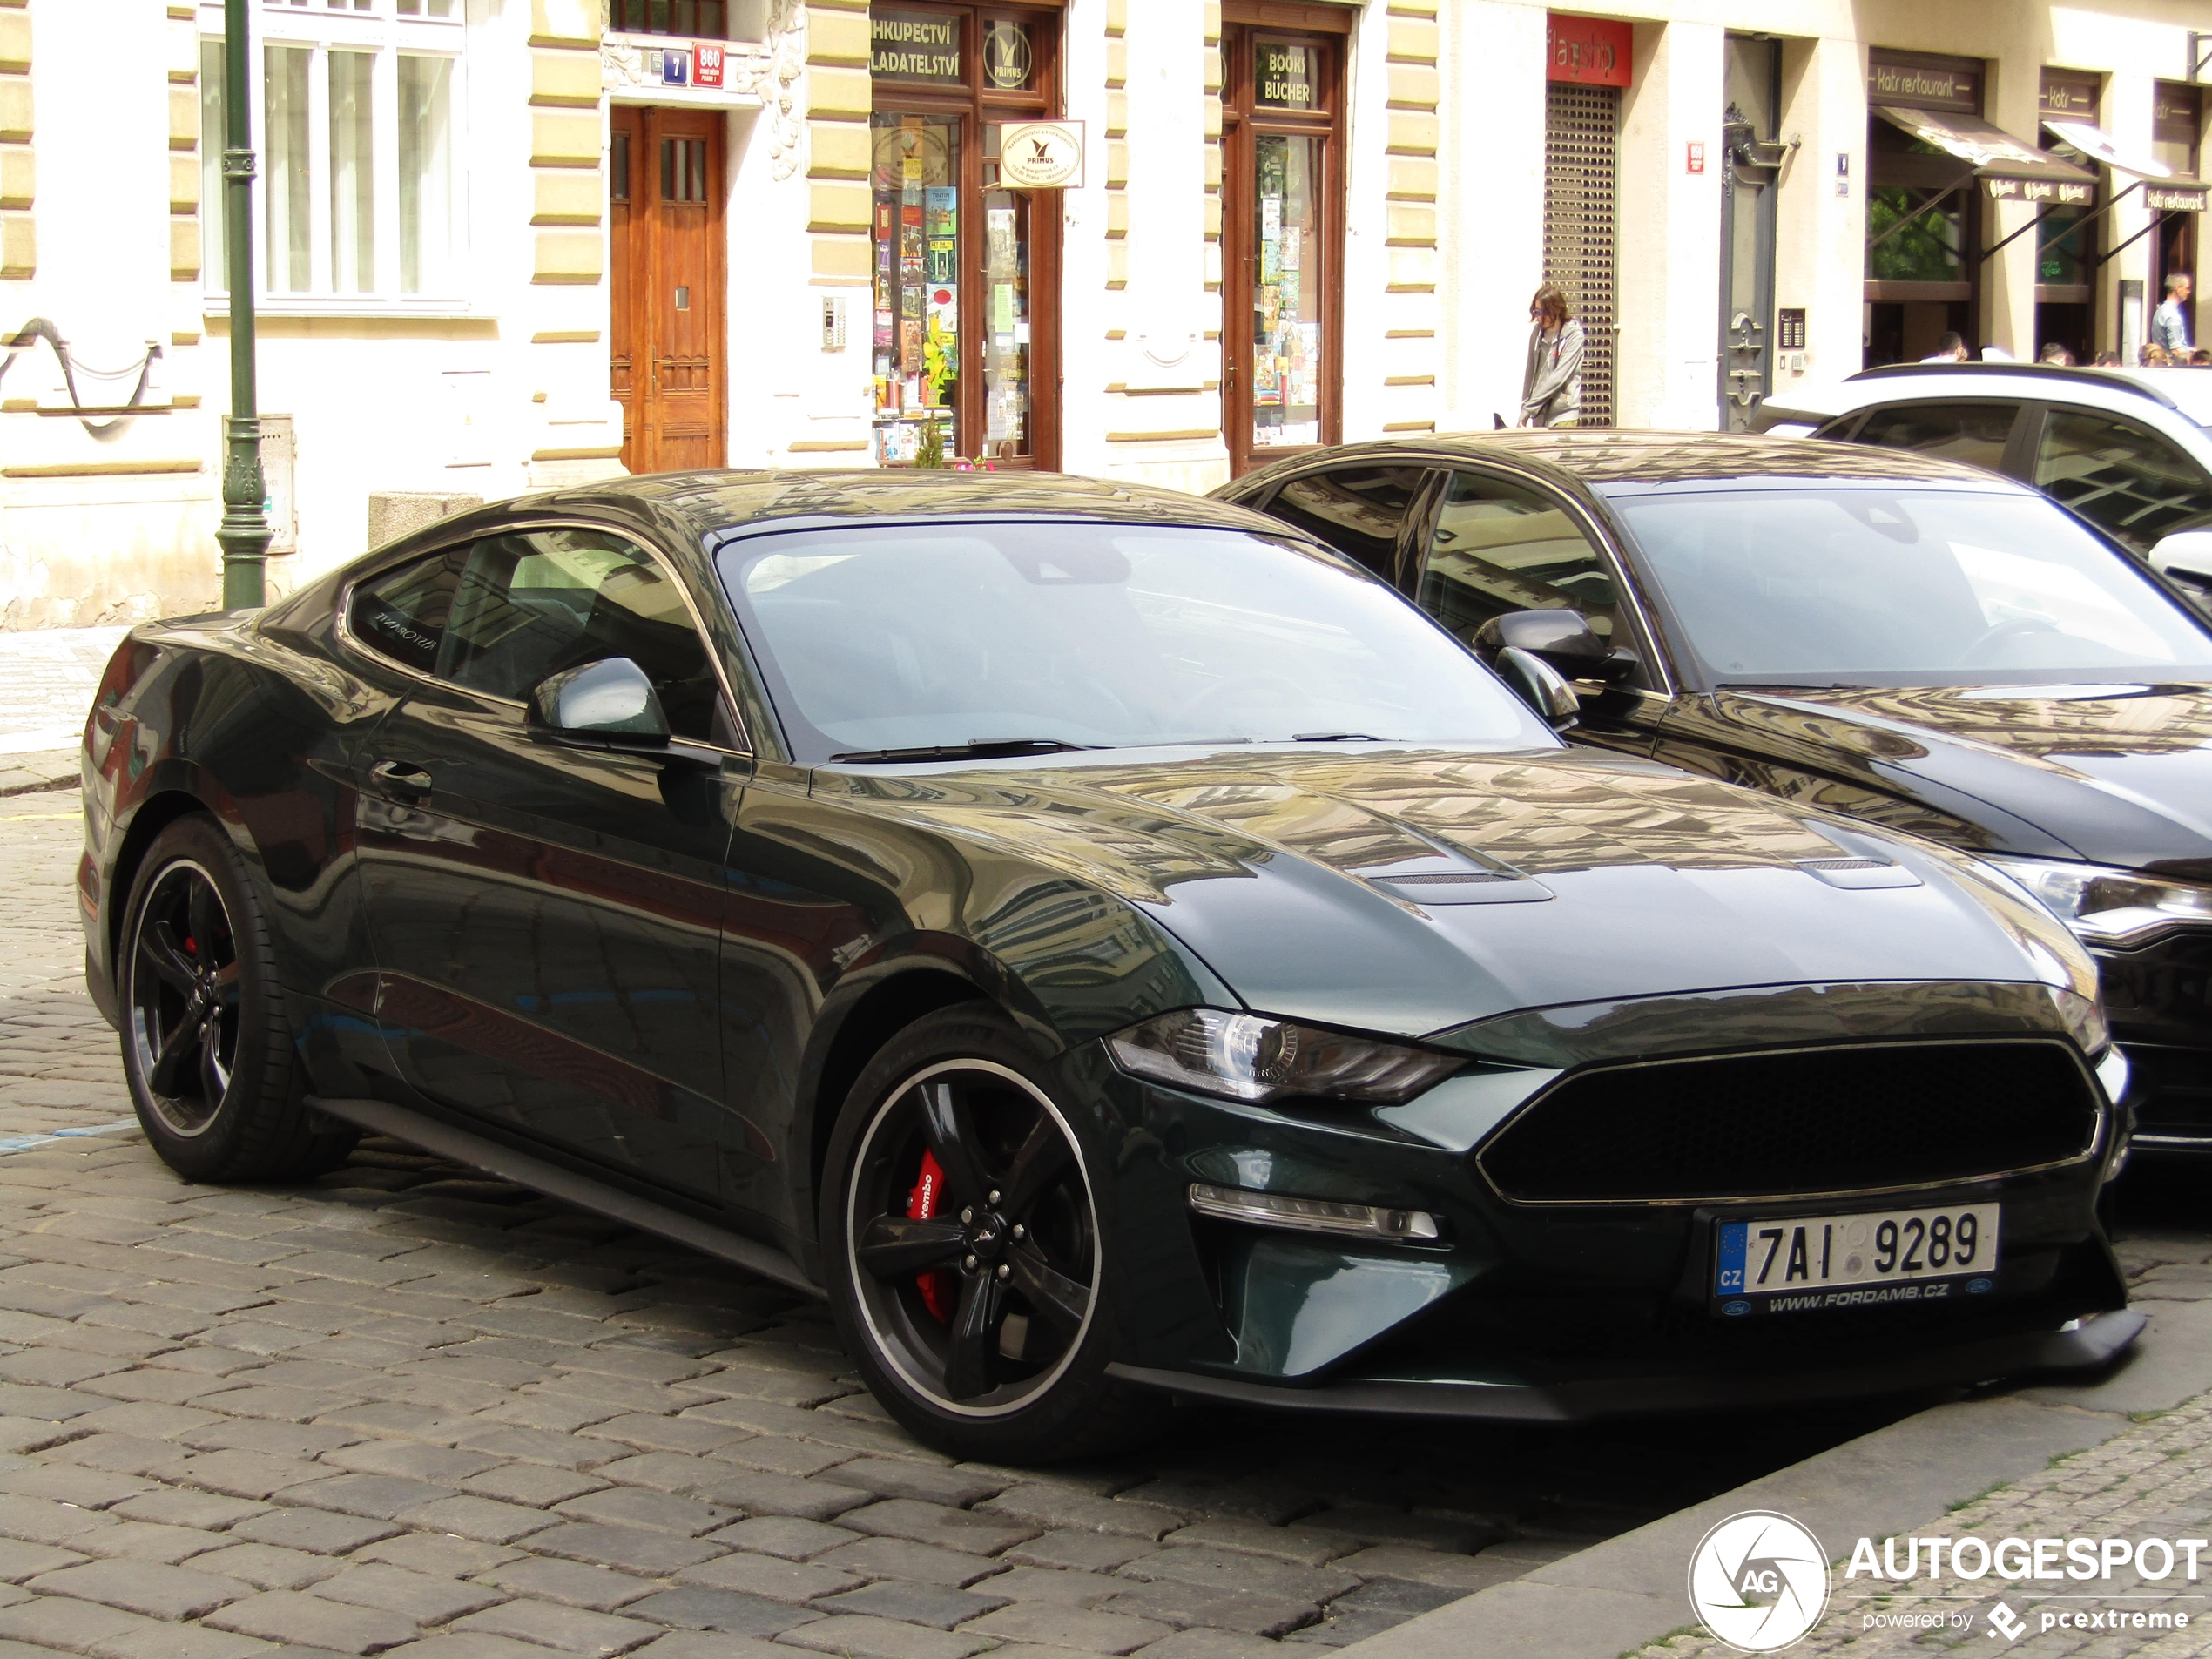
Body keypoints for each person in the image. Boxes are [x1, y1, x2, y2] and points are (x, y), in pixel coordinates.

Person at [1520, 283, 1584, 428]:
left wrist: (1529, 408)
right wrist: (1524, 408)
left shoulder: (1574, 335)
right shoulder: (1538, 333)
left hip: (1563, 414)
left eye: (1545, 312)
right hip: (1539, 412)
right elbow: (1530, 372)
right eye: (1537, 312)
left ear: (1557, 309)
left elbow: (1558, 377)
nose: (1540, 318)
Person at [2152, 273, 2194, 356]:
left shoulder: (2161, 310)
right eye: (2187, 288)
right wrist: (2191, 359)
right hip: (2173, 365)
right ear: (2177, 288)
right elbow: (2176, 350)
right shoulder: (2172, 315)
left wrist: (2188, 350)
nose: (2189, 292)